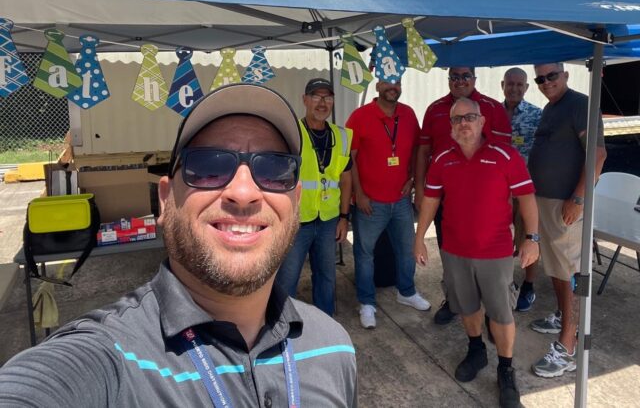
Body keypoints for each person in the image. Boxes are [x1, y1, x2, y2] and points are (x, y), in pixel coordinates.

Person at [0, 84, 357, 407]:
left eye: (274, 169)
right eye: (209, 166)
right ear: (165, 201)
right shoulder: (110, 357)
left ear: (293, 203)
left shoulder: (333, 347)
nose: (244, 192)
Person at [414, 97, 539, 408]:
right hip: (455, 251)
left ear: (482, 122)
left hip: (495, 253)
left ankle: (506, 370)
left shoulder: (505, 155)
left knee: (501, 313)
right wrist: (418, 238)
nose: (464, 123)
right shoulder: (443, 158)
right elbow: (430, 200)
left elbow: (526, 198)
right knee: (467, 307)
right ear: (451, 125)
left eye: (470, 117)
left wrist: (532, 238)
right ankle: (476, 351)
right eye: (457, 119)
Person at [414, 66, 512, 325]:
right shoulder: (435, 109)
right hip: (444, 196)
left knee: (487, 251)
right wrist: (420, 189)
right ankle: (454, 299)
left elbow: (506, 156)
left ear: (474, 79)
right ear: (448, 80)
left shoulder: (492, 108)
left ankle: (491, 307)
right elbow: (424, 150)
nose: (460, 81)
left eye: (465, 76)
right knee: (450, 249)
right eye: (454, 77)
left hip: (485, 199)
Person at [528, 63, 607, 378]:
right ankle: (563, 316)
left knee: (568, 271)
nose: (546, 82)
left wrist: (577, 199)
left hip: (566, 204)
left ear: (565, 75)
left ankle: (569, 344)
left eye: (551, 76)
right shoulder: (551, 108)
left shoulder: (580, 104)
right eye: (541, 78)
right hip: (546, 203)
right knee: (557, 270)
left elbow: (597, 155)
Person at [346, 78, 431, 329]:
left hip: (401, 200)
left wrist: (414, 179)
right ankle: (367, 302)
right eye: (387, 82)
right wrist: (358, 194)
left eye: (396, 82)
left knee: (407, 250)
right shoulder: (360, 116)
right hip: (370, 202)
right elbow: (350, 159)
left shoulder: (408, 114)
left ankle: (406, 292)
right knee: (365, 254)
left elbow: (417, 150)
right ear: (377, 87)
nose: (392, 87)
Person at [276, 78, 352, 317]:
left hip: (329, 219)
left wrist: (344, 217)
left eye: (327, 97)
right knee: (287, 278)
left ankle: (324, 321)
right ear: (305, 100)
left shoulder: (341, 136)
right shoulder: (291, 133)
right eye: (316, 97)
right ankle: (283, 324)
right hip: (297, 220)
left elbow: (346, 178)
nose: (322, 102)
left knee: (326, 276)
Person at [501, 67, 542, 312]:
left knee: (528, 236)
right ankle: (506, 283)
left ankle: (528, 285)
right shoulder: (492, 113)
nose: (514, 88)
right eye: (510, 84)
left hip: (525, 190)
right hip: (498, 191)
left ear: (526, 87)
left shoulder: (537, 115)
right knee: (503, 237)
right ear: (502, 85)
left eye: (519, 84)